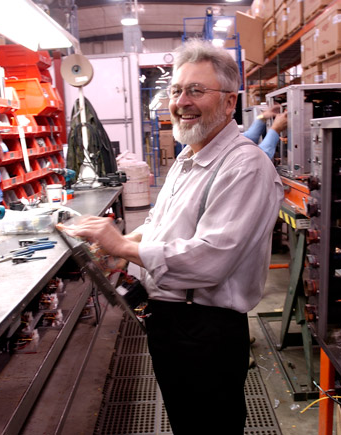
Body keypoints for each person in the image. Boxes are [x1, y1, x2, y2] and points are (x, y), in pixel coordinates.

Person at [62, 39, 282, 434]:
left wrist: (125, 244)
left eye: (197, 90)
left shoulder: (245, 166)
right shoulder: (187, 157)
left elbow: (212, 258)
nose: (182, 100)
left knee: (210, 427)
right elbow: (162, 225)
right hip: (172, 322)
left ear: (230, 103)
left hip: (206, 330)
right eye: (177, 90)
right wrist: (118, 252)